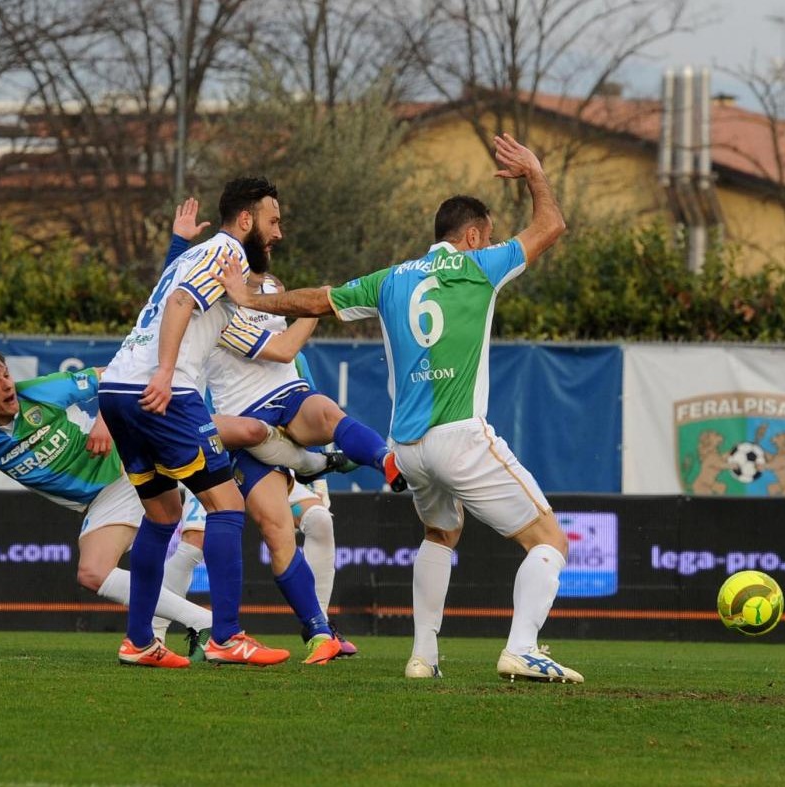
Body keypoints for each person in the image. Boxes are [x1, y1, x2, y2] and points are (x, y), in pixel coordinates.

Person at [215, 134, 580, 683]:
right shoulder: (481, 267)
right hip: (460, 437)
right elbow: (551, 226)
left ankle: (422, 658)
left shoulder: (391, 279)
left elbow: (319, 299)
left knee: (440, 536)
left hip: (406, 448)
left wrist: (250, 300)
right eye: (487, 238)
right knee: (549, 541)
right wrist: (533, 172)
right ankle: (522, 647)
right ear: (475, 236)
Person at [162, 201, 404, 665]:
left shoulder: (271, 286)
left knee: (328, 416)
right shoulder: (211, 302)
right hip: (242, 417)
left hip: (288, 396)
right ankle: (313, 630)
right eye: (273, 224)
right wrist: (317, 306)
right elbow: (283, 344)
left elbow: (286, 347)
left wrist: (298, 300)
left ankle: (386, 461)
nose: (279, 235)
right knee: (276, 531)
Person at [0, 353, 217, 643]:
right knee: (96, 574)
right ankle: (174, 629)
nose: (7, 384)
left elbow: (113, 376)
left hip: (127, 471)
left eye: (6, 376)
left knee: (108, 565)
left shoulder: (39, 392)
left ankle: (195, 624)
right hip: (100, 500)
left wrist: (105, 421)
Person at [97, 178, 293, 667]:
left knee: (162, 515)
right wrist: (165, 373)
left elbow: (178, 299)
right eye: (273, 221)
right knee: (226, 506)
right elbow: (182, 302)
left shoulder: (195, 256)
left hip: (119, 390)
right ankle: (226, 636)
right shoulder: (229, 255)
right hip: (165, 390)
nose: (278, 234)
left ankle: (139, 641)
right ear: (245, 220)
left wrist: (177, 241)